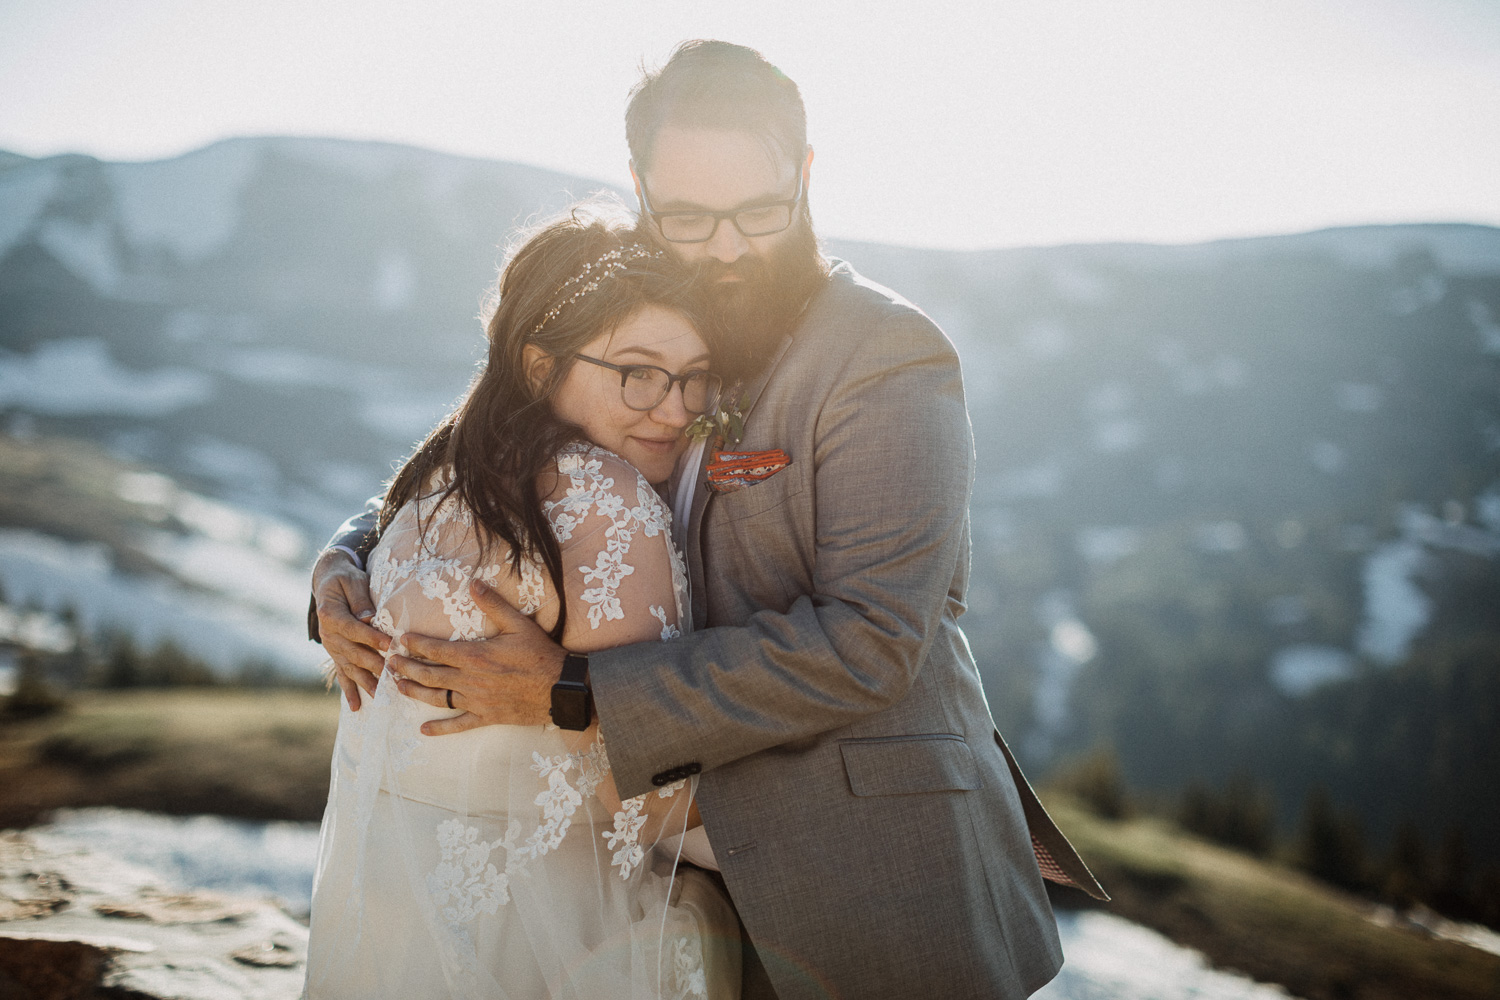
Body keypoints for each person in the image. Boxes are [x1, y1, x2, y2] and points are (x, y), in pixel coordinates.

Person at [313, 40, 1106, 1000]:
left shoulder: (887, 356)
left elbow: (874, 640)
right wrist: (344, 563)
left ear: (805, 177)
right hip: (658, 870)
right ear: (642, 190)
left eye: (759, 211)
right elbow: (481, 443)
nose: (726, 247)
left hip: (855, 862)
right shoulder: (650, 317)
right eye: (689, 216)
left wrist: (575, 691)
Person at [303, 210, 741, 999]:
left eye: (694, 377)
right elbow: (645, 809)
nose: (677, 409)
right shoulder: (609, 507)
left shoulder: (428, 489)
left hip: (395, 922)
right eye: (638, 372)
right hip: (553, 941)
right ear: (540, 368)